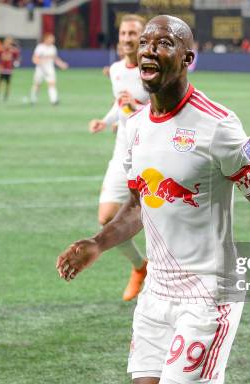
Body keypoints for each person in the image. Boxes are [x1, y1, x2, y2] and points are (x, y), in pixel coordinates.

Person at [56, 15, 250, 384]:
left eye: (164, 43)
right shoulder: (134, 128)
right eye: (146, 42)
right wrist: (99, 244)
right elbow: (138, 206)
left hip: (209, 291)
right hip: (157, 292)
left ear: (188, 59)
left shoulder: (218, 126)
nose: (149, 48)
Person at [88, 15, 150, 301]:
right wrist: (106, 119)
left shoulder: (154, 69)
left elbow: (161, 110)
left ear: (143, 38)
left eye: (133, 33)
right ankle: (140, 266)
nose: (127, 38)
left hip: (152, 156)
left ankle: (170, 280)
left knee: (162, 221)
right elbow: (120, 101)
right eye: (124, 33)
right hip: (122, 153)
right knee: (106, 218)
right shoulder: (115, 70)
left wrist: (135, 106)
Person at [30, 33, 68, 105]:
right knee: (37, 84)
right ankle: (33, 99)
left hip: (49, 69)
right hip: (40, 69)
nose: (52, 40)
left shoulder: (53, 48)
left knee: (52, 84)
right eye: (51, 38)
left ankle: (54, 100)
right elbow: (34, 59)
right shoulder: (40, 47)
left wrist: (62, 64)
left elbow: (55, 58)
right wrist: (40, 61)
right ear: (46, 39)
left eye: (53, 39)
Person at [0, 37, 21, 103]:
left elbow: (18, 58)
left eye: (9, 42)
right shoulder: (1, 49)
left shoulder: (13, 50)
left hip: (9, 70)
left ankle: (6, 95)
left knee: (8, 83)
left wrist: (15, 64)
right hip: (2, 69)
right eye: (7, 42)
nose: (8, 43)